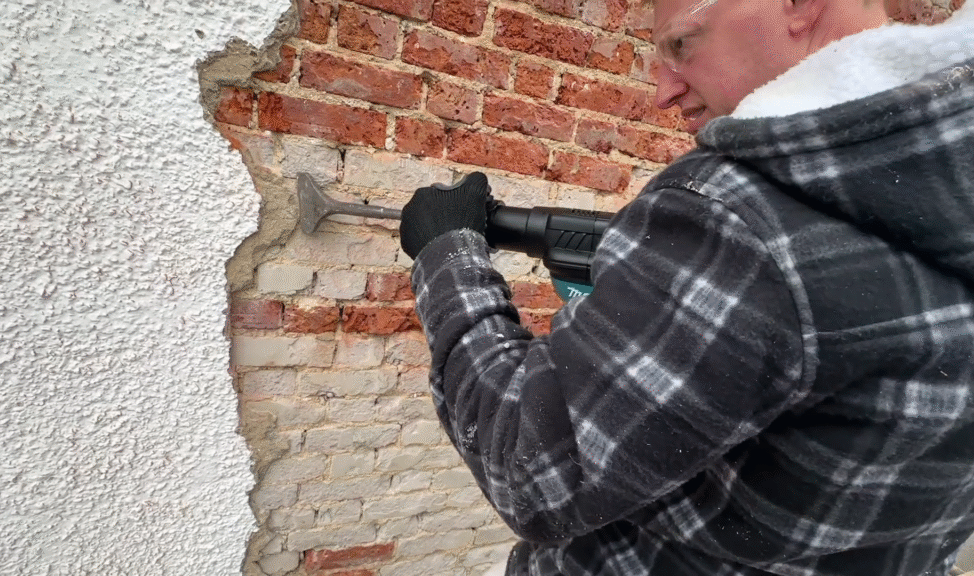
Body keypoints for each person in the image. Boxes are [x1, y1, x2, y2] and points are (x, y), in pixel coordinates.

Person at [397, 0, 974, 574]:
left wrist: (447, 253)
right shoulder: (944, 169)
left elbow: (532, 469)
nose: (664, 93)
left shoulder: (738, 217)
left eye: (681, 44)